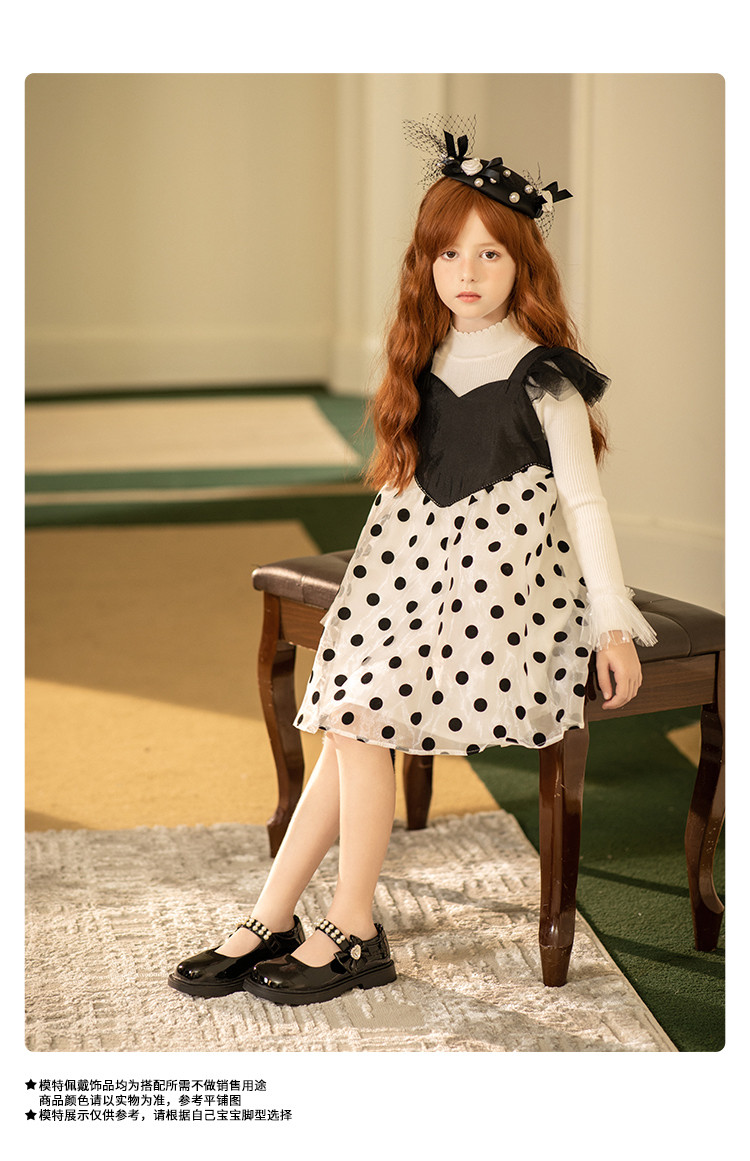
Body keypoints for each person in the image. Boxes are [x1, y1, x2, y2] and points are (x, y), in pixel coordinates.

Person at [169, 117, 656, 1007]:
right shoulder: (420, 357)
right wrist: (374, 599)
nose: (466, 273)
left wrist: (613, 624)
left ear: (523, 265)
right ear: (425, 263)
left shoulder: (547, 374)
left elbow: (585, 502)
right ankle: (276, 913)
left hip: (506, 594)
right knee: (348, 711)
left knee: (356, 719)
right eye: (448, 254)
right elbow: (401, 500)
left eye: (489, 255)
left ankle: (352, 925)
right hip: (408, 579)